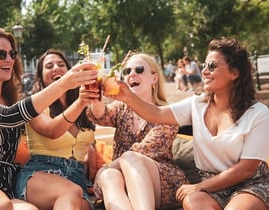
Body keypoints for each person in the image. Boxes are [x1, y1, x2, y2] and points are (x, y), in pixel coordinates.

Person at [107, 37, 269, 210]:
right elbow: (157, 113)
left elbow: (246, 170)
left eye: (212, 66)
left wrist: (198, 186)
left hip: (249, 184)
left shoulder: (258, 114)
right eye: (204, 65)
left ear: (235, 73)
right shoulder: (196, 105)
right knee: (191, 202)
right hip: (211, 187)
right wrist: (128, 97)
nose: (204, 71)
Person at [0, 28, 98, 210]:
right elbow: (9, 117)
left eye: (12, 54)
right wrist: (63, 83)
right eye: (0, 54)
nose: (9, 59)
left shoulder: (11, 102)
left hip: (4, 185)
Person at [87, 53, 189, 210]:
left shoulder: (166, 113)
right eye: (127, 71)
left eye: (139, 69)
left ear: (154, 78)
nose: (131, 74)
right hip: (122, 178)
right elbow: (100, 116)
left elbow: (143, 151)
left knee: (127, 158)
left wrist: (104, 168)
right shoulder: (121, 108)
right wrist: (96, 92)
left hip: (161, 180)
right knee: (109, 176)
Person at [15, 49, 98, 210]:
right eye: (49, 66)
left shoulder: (85, 108)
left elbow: (90, 147)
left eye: (61, 64)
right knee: (70, 192)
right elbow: (52, 131)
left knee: (80, 202)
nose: (56, 68)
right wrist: (80, 103)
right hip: (41, 172)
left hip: (77, 178)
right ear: (41, 76)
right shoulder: (33, 105)